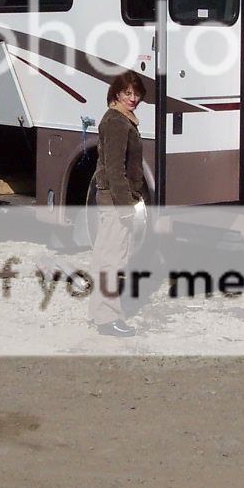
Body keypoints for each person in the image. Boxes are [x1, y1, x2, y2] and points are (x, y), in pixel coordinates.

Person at [88, 70, 147, 337]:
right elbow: (114, 169)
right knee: (111, 259)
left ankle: (100, 313)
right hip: (114, 199)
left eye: (136, 94)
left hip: (114, 198)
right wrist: (126, 205)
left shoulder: (121, 119)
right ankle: (107, 320)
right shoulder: (116, 122)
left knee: (106, 256)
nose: (133, 98)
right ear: (116, 94)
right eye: (127, 93)